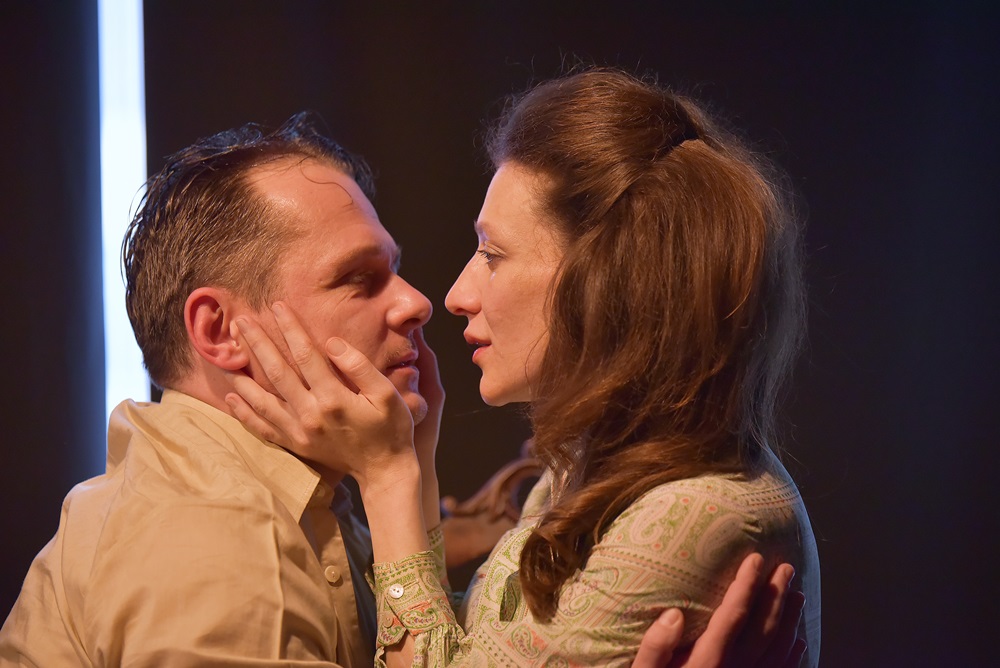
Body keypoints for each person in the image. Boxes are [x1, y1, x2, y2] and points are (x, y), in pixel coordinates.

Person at [0, 112, 801, 667]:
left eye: (491, 256)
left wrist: (401, 479)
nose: (421, 301)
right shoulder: (221, 548)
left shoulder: (274, 496)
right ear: (221, 331)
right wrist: (393, 476)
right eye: (359, 279)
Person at [227, 69, 820, 668]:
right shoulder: (594, 462)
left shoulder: (690, 517)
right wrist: (416, 464)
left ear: (605, 284)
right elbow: (477, 650)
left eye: (493, 254)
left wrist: (387, 477)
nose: (455, 295)